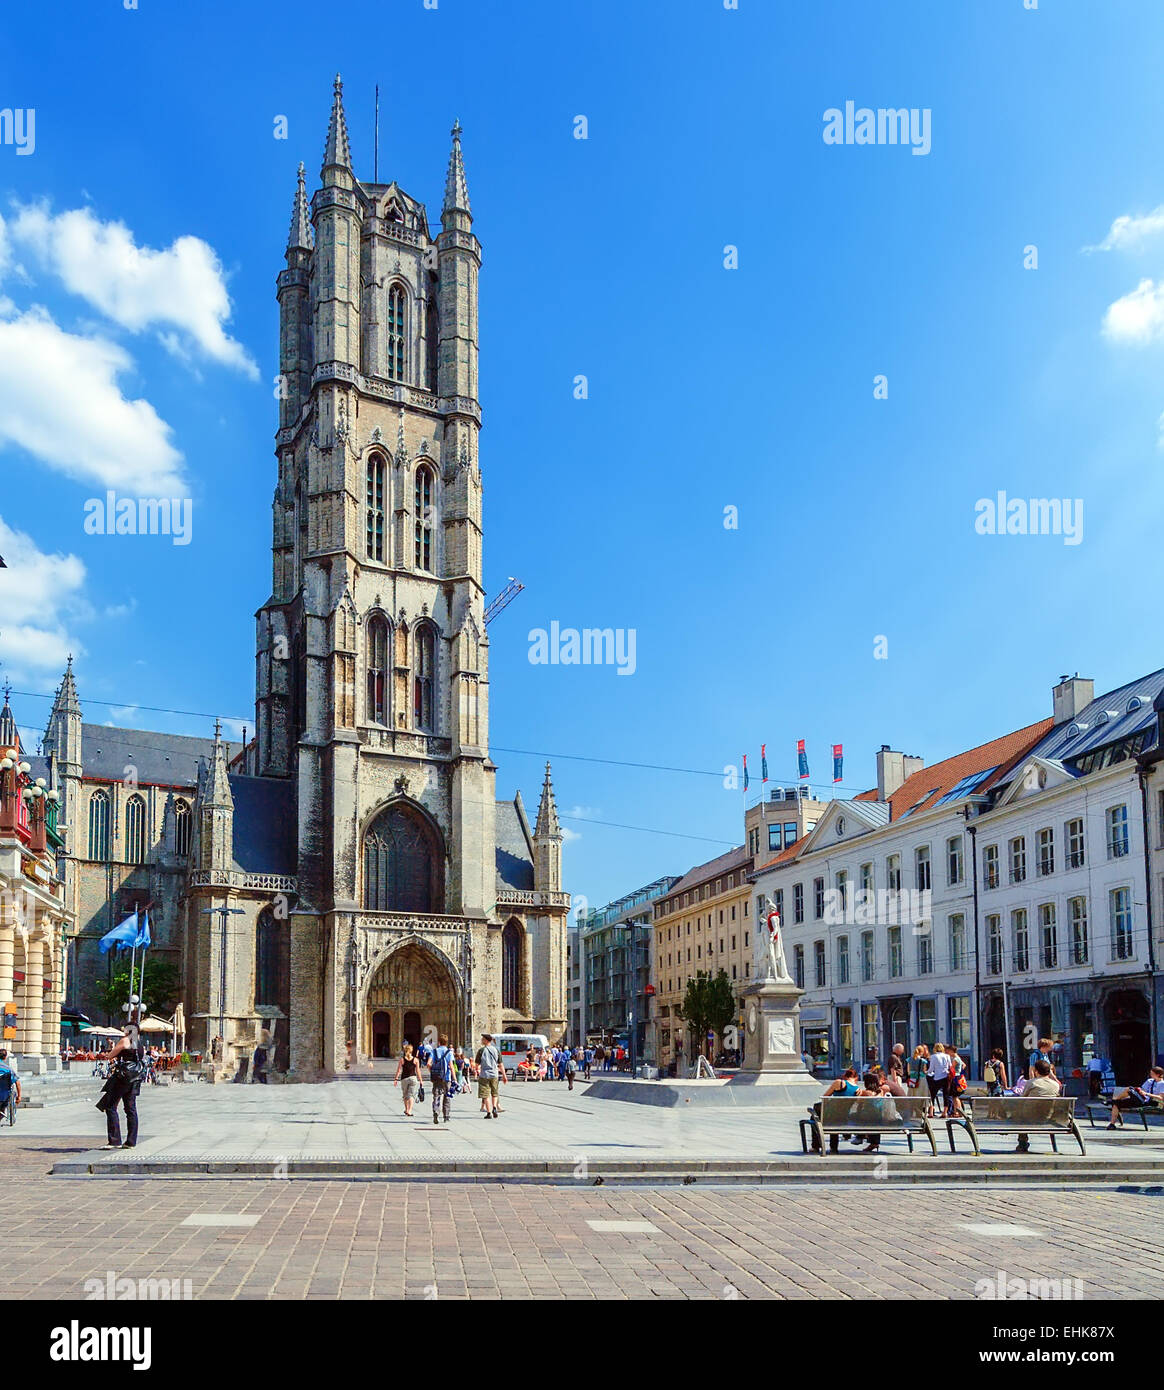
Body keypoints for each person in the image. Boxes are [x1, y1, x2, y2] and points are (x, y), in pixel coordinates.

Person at [96, 1026, 145, 1149]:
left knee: (110, 1106)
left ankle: (115, 1140)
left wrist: (110, 1050)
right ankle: (131, 1141)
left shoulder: (125, 1041)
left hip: (123, 1078)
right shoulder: (139, 1044)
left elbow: (110, 1055)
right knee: (130, 1109)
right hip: (135, 1078)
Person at [808, 1068, 861, 1153]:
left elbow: (825, 1097)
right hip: (843, 1116)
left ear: (845, 1075)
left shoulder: (840, 1082)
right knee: (834, 1120)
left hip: (831, 1113)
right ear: (856, 1077)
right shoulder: (857, 1089)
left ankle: (816, 1146)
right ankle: (833, 1148)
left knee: (814, 1117)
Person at [1015, 1059, 1061, 1152]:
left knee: (1020, 1114)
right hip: (1047, 1117)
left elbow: (1022, 1099)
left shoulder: (1031, 1083)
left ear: (1036, 1071)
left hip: (1029, 1117)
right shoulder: (1056, 1085)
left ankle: (1022, 1143)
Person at [426, 1034, 456, 1125]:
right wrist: (454, 1079)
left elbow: (428, 1063)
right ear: (446, 1043)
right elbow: (451, 1066)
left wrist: (432, 1071)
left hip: (437, 1077)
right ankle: (446, 1116)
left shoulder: (434, 1051)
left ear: (439, 1042)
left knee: (436, 1095)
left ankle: (436, 1111)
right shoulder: (449, 1052)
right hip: (446, 1077)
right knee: (447, 1096)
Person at [476, 1033, 503, 1119]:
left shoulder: (481, 1050)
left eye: (482, 1039)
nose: (481, 1040)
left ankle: (489, 1112)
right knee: (494, 1093)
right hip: (494, 1074)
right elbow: (500, 1064)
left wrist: (477, 1070)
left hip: (484, 1075)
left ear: (486, 1040)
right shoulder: (496, 1050)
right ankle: (494, 1107)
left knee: (486, 1095)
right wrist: (504, 1075)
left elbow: (477, 1064)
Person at [394, 1043, 420, 1116]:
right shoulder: (416, 1060)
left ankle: (406, 1109)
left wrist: (396, 1079)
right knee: (411, 1095)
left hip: (404, 1079)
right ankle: (409, 1110)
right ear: (412, 1051)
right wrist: (420, 1080)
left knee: (405, 1095)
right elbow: (418, 1071)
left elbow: (399, 1070)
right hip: (413, 1078)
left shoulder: (402, 1060)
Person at [925, 1043, 951, 1117]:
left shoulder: (933, 1056)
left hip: (937, 1077)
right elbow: (950, 1066)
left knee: (932, 1095)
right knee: (946, 1095)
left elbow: (931, 1068)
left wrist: (927, 1072)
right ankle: (945, 1112)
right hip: (946, 1076)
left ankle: (931, 1112)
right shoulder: (947, 1056)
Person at [0, 1049, 21, 1113]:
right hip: (3, 1096)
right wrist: (19, 1096)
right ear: (5, 1057)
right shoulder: (8, 1069)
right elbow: (17, 1083)